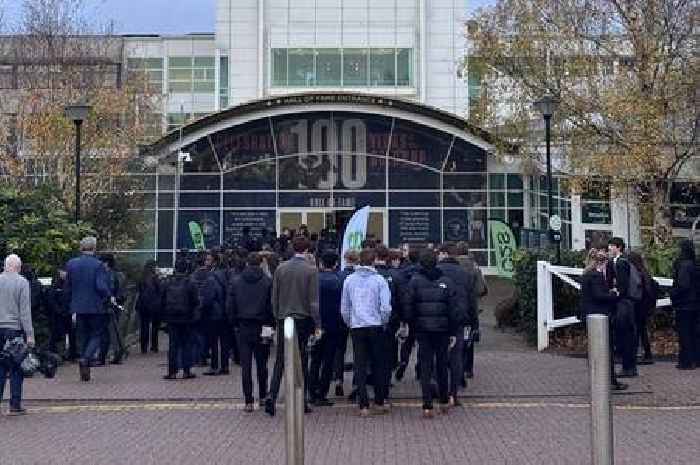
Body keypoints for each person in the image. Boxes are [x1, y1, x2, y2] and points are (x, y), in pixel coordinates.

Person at [265, 236, 321, 417]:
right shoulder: (311, 270)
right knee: (302, 360)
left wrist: (277, 316)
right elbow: (313, 302)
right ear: (306, 250)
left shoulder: (281, 268)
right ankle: (302, 400)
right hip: (303, 319)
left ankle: (271, 395)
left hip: (284, 318)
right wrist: (317, 324)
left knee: (281, 359)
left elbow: (274, 297)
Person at [402, 249, 459, 418]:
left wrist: (412, 325)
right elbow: (453, 309)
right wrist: (453, 331)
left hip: (423, 330)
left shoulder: (415, 281)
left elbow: (408, 305)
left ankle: (427, 405)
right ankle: (443, 401)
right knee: (442, 365)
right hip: (442, 330)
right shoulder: (447, 282)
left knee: (425, 366)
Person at [341, 248, 392, 416]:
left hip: (357, 326)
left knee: (360, 365)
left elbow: (345, 308)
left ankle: (363, 404)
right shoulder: (379, 280)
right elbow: (385, 307)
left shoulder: (349, 280)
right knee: (379, 364)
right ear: (374, 260)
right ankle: (379, 400)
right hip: (376, 325)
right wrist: (383, 321)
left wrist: (350, 322)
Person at [227, 252, 274, 412]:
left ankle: (248, 400)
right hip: (262, 326)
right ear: (261, 263)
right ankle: (262, 395)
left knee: (246, 366)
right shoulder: (268, 282)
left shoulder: (236, 282)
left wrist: (234, 323)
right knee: (262, 364)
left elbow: (230, 306)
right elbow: (271, 306)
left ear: (247, 263)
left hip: (243, 326)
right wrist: (271, 324)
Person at [64, 237, 114, 382]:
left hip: (77, 306)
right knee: (97, 334)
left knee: (83, 335)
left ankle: (84, 368)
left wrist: (69, 303)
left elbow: (68, 286)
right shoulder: (98, 265)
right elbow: (100, 286)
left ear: (81, 248)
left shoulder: (71, 264)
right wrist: (109, 296)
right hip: (95, 306)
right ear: (94, 248)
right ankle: (86, 359)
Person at [579, 248, 627, 390]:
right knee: (606, 349)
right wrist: (614, 294)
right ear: (601, 262)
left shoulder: (586, 274)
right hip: (599, 315)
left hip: (590, 314)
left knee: (597, 348)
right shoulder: (596, 275)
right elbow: (599, 295)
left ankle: (602, 379)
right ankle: (609, 381)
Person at [437, 243, 473, 406]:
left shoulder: (435, 272)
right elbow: (471, 300)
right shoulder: (465, 274)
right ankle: (453, 394)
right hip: (458, 319)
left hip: (438, 318)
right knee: (456, 357)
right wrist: (473, 323)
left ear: (444, 254)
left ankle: (441, 391)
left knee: (439, 356)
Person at [0, 254, 35, 416]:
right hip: (13, 330)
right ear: (19, 267)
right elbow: (25, 312)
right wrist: (29, 334)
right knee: (16, 368)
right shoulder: (22, 282)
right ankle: (15, 404)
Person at [308, 251, 343, 406]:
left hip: (317, 325)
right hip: (334, 326)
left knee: (315, 359)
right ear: (335, 264)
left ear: (321, 263)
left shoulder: (314, 280)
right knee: (328, 361)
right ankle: (322, 393)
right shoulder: (339, 281)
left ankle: (311, 391)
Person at [161, 258, 200, 380]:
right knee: (186, 344)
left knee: (173, 345)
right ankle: (186, 370)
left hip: (172, 318)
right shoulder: (190, 283)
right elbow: (195, 301)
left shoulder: (168, 282)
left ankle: (172, 371)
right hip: (186, 318)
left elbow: (162, 300)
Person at [192, 252, 229, 376]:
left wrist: (202, 306)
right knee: (223, 341)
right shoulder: (224, 273)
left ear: (214, 262)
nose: (205, 262)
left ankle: (214, 366)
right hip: (224, 311)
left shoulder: (212, 277)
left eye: (208, 260)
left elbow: (209, 297)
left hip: (214, 313)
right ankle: (224, 366)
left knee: (213, 341)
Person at [606, 237, 638, 378]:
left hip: (624, 304)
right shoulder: (620, 262)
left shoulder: (621, 263)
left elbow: (622, 286)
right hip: (626, 303)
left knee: (625, 335)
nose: (609, 249)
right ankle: (629, 366)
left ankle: (628, 367)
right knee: (626, 335)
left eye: (611, 246)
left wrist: (615, 292)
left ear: (618, 247)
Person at [456, 243, 488, 381]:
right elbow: (481, 289)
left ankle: (455, 365)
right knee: (469, 337)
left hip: (456, 307)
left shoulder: (453, 265)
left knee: (455, 337)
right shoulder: (475, 267)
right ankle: (468, 369)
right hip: (471, 307)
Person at [669, 240, 699, 370]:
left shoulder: (683, 266)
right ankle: (695, 359)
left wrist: (672, 293)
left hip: (684, 304)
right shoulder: (695, 264)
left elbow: (683, 285)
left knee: (685, 333)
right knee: (694, 333)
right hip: (696, 304)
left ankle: (686, 361)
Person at [395, 244, 423, 381]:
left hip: (407, 311)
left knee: (408, 340)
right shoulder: (425, 272)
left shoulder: (402, 272)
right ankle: (419, 367)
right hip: (421, 312)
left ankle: (404, 361)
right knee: (422, 341)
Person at [333, 249, 359, 397]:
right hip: (357, 317)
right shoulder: (358, 277)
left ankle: (338, 379)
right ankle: (356, 381)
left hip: (341, 317)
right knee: (358, 350)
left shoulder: (339, 276)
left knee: (339, 349)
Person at [628, 251, 657, 365]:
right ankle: (647, 353)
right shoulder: (645, 272)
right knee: (642, 330)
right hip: (645, 305)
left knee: (637, 330)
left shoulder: (637, 273)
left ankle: (639, 353)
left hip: (638, 304)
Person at [46, 267, 78, 361]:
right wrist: (58, 310)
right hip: (58, 315)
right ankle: (59, 354)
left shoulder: (70, 284)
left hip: (69, 313)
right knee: (58, 334)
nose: (64, 274)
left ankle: (73, 354)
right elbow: (51, 299)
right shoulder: (55, 284)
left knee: (72, 334)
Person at [98, 254, 125, 365]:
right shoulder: (117, 275)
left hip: (108, 306)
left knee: (106, 332)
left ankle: (105, 356)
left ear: (106, 263)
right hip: (115, 306)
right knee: (114, 332)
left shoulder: (108, 275)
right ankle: (117, 353)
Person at [136, 261, 162, 354]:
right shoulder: (156, 279)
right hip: (154, 306)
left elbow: (139, 290)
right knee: (155, 326)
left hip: (143, 305)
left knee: (144, 326)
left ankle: (143, 347)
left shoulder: (141, 278)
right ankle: (154, 346)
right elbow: (160, 291)